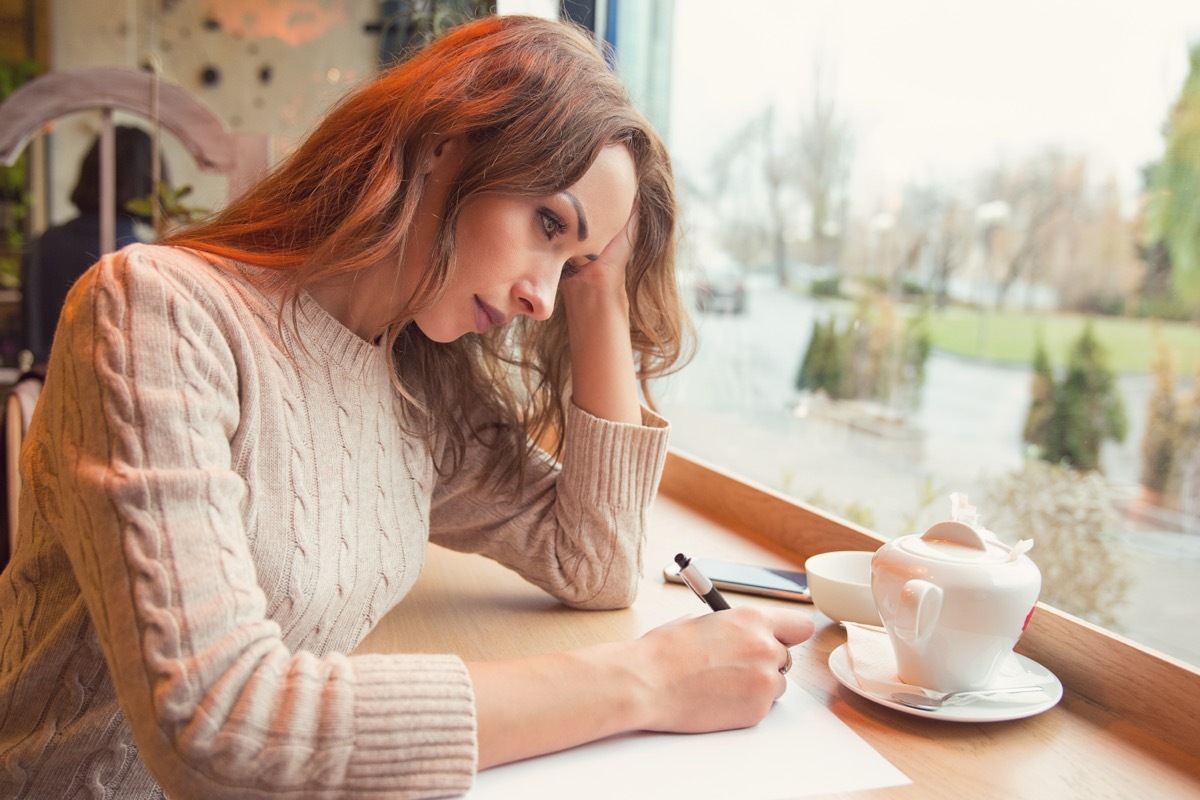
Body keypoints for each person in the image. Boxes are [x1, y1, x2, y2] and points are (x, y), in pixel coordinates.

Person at [0, 15, 814, 799]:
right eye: (545, 223)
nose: (542, 297)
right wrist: (644, 680)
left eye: (570, 263)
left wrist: (601, 286)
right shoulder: (159, 312)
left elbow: (594, 560)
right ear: (442, 143)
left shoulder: (416, 383)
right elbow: (218, 726)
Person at [19, 125, 163, 365]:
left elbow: (29, 336)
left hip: (47, 391)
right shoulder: (142, 257)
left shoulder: (44, 244)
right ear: (148, 179)